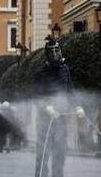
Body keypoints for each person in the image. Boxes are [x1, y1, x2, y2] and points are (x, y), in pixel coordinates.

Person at [34, 37, 84, 177]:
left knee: (60, 153)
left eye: (57, 50)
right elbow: (37, 95)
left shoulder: (65, 70)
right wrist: (47, 107)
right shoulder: (41, 72)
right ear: (47, 54)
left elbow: (70, 91)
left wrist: (77, 106)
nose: (55, 53)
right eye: (52, 51)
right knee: (42, 153)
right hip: (44, 120)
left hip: (61, 119)